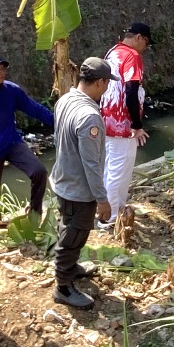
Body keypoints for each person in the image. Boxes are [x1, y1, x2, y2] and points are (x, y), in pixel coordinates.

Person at [49, 57, 115, 308]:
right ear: (99, 82)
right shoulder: (90, 117)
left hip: (63, 180)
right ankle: (63, 287)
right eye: (107, 82)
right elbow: (91, 164)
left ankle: (72, 267)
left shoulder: (65, 99)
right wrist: (102, 199)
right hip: (79, 190)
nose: (107, 87)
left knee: (69, 225)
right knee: (75, 234)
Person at [0, 51, 54, 215]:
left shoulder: (12, 91)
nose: (1, 73)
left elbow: (34, 109)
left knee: (39, 172)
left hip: (12, 143)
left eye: (2, 68)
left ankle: (35, 211)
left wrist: (58, 122)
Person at [100, 22, 152, 219]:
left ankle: (118, 209)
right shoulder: (132, 56)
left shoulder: (112, 52)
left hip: (109, 119)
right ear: (138, 37)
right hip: (123, 123)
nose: (146, 47)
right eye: (146, 42)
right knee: (117, 170)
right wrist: (136, 124)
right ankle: (110, 216)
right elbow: (131, 90)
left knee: (117, 167)